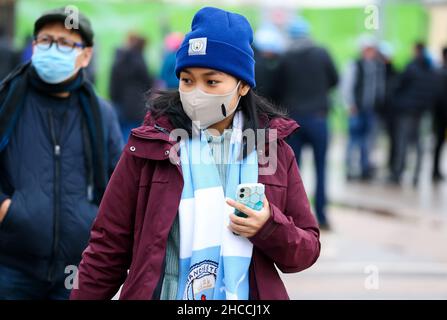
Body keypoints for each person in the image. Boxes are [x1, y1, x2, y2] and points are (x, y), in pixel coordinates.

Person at [70, 7, 320, 300]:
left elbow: (305, 250)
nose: (196, 92)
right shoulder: (149, 146)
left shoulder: (272, 151)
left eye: (211, 82)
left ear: (242, 87)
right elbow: (107, 246)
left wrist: (268, 226)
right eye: (187, 80)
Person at [0, 7, 124, 299]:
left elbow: (118, 183)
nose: (54, 48)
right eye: (46, 40)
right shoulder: (6, 101)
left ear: (86, 55)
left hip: (78, 268)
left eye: (66, 43)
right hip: (11, 265)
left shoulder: (101, 113)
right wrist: (7, 209)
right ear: (34, 46)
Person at [275, 17, 338, 230]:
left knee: (294, 173)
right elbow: (335, 80)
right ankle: (322, 216)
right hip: (319, 117)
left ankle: (296, 219)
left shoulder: (285, 57)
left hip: (294, 121)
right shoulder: (322, 53)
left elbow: (277, 89)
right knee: (321, 168)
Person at [391, 42, 441, 185]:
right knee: (418, 143)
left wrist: (398, 102)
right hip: (422, 111)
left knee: (403, 142)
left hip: (407, 111)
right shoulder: (430, 69)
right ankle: (416, 175)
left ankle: (398, 173)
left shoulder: (411, 67)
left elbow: (399, 86)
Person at [342, 35, 386, 181]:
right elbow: (346, 86)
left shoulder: (378, 66)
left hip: (371, 109)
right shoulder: (354, 65)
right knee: (354, 139)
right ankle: (350, 168)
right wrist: (349, 104)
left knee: (368, 141)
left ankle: (365, 168)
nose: (369, 52)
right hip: (356, 110)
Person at [109, 33, 153, 142]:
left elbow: (113, 84)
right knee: (137, 136)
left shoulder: (118, 59)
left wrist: (114, 98)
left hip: (120, 103)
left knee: (122, 135)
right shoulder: (139, 60)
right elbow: (148, 82)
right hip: (138, 103)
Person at [432, 47, 447, 182]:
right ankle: (435, 171)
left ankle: (435, 171)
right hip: (441, 115)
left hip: (438, 115)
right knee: (439, 143)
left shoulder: (437, 72)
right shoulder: (439, 72)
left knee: (438, 143)